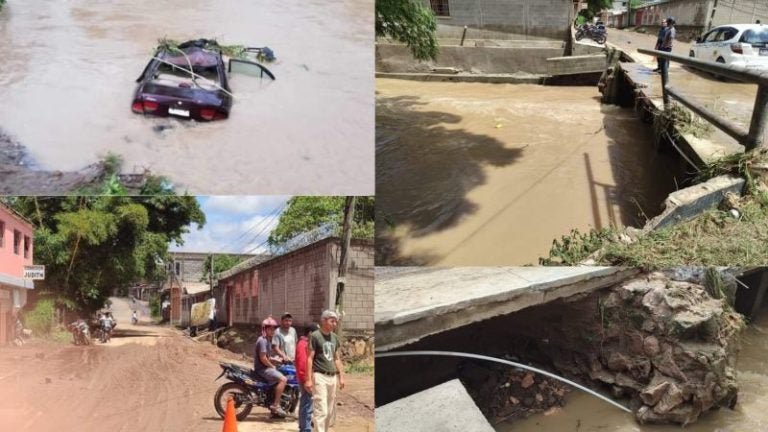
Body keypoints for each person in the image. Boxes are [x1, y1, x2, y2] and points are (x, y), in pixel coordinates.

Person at [306, 310, 345, 432]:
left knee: (328, 412)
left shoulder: (334, 338)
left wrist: (341, 377)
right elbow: (309, 358)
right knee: (321, 410)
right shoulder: (315, 336)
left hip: (332, 377)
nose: (334, 324)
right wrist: (308, 379)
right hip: (319, 376)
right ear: (323, 321)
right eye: (332, 321)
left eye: (336, 322)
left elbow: (337, 359)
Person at [253, 317, 289, 418]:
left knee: (281, 372)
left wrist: (278, 359)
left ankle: (273, 402)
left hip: (264, 367)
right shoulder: (262, 340)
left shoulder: (268, 340)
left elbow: (268, 356)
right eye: (270, 329)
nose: (272, 331)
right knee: (283, 379)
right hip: (262, 369)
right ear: (265, 329)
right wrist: (272, 366)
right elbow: (263, 358)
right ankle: (276, 405)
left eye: (274, 329)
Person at [296, 323, 319, 432]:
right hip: (305, 378)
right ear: (310, 333)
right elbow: (302, 364)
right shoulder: (304, 344)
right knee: (307, 405)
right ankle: (306, 428)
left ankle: (303, 427)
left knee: (305, 403)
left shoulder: (306, 343)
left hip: (305, 377)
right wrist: (307, 380)